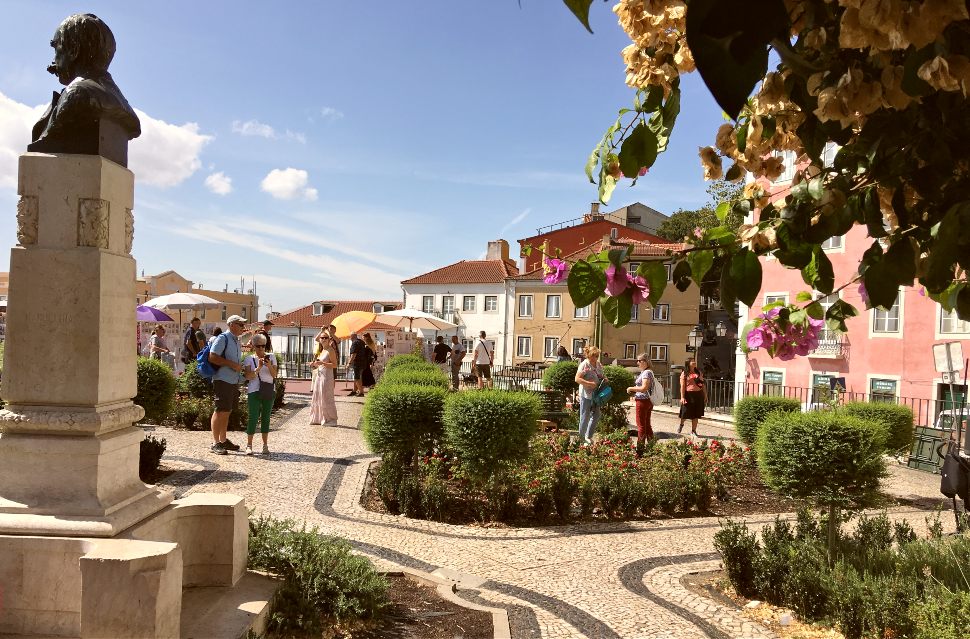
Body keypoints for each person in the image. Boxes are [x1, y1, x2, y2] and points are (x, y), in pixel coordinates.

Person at [207, 315, 247, 455]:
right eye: (240, 324)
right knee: (220, 410)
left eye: (243, 325)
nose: (243, 327)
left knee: (227, 410)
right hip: (222, 379)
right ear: (231, 325)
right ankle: (215, 443)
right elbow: (212, 356)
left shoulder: (236, 341)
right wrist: (232, 365)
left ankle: (223, 440)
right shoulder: (223, 338)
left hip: (232, 380)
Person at [242, 333, 277, 455]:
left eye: (263, 346)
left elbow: (274, 375)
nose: (261, 348)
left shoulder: (271, 357)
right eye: (258, 346)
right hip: (254, 390)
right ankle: (249, 445)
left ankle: (265, 445)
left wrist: (268, 366)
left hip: (268, 390)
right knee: (253, 417)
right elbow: (248, 376)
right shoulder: (249, 359)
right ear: (253, 346)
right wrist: (258, 368)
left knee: (266, 418)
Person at [575, 346, 605, 444]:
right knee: (585, 415)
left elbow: (601, 375)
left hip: (596, 394)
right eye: (593, 355)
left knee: (596, 415)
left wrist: (605, 378)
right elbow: (577, 379)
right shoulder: (584, 364)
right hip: (586, 394)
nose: (595, 358)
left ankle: (588, 436)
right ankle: (581, 438)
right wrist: (589, 384)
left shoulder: (598, 364)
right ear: (588, 355)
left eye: (597, 356)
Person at [627, 354, 656, 453]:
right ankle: (651, 447)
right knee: (647, 425)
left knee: (641, 425)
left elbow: (644, 388)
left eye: (639, 361)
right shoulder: (647, 372)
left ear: (645, 361)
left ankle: (640, 450)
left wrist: (631, 388)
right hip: (647, 401)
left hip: (643, 401)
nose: (637, 363)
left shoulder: (646, 373)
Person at [309, 328, 338, 425]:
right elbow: (321, 364)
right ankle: (318, 418)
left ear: (329, 339)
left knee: (326, 397)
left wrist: (322, 363)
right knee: (318, 396)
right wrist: (314, 364)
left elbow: (334, 365)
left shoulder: (331, 350)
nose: (323, 339)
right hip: (319, 375)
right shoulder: (322, 350)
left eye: (326, 338)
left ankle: (330, 419)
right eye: (322, 338)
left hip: (327, 376)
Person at [680, 358, 707, 437]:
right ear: (688, 363)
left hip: (698, 394)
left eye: (694, 360)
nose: (694, 362)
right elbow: (682, 386)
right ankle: (681, 424)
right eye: (692, 361)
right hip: (688, 395)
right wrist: (682, 397)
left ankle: (693, 431)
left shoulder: (699, 373)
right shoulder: (685, 373)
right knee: (685, 413)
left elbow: (702, 385)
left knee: (696, 414)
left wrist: (705, 395)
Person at [347, 332, 367, 397]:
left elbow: (353, 354)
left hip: (357, 363)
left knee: (357, 377)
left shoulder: (354, 343)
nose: (350, 338)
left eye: (350, 337)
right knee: (358, 377)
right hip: (363, 362)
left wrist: (349, 363)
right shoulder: (362, 342)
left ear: (352, 336)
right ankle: (354, 391)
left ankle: (361, 392)